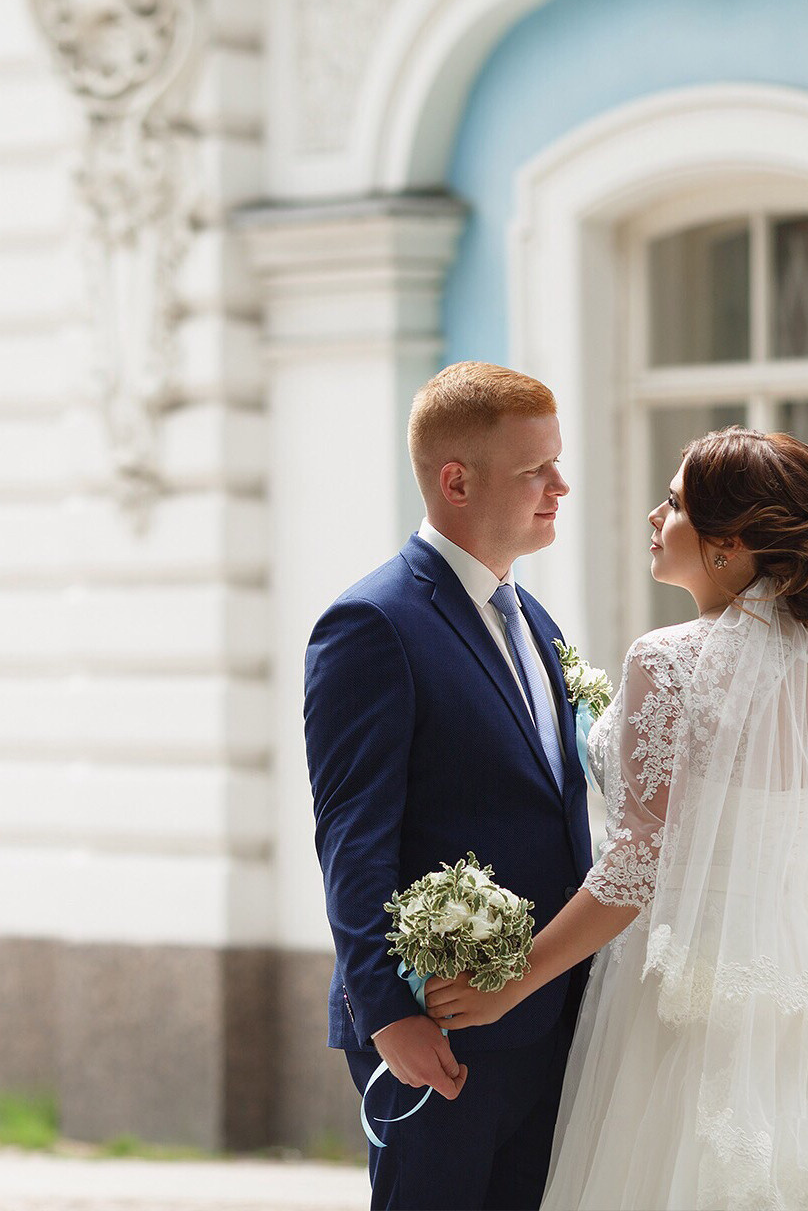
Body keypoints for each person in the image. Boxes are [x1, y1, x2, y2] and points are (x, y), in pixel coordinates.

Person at [425, 426, 808, 1210]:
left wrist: (511, 982)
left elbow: (637, 868)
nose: (656, 514)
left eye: (677, 502)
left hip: (687, 985)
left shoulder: (668, 661)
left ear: (730, 544)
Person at [303, 362, 593, 1211]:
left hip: (548, 1020)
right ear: (456, 480)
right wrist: (389, 1016)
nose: (560, 487)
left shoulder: (532, 617)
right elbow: (352, 839)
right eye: (535, 469)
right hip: (437, 1031)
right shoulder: (372, 625)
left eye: (558, 463)